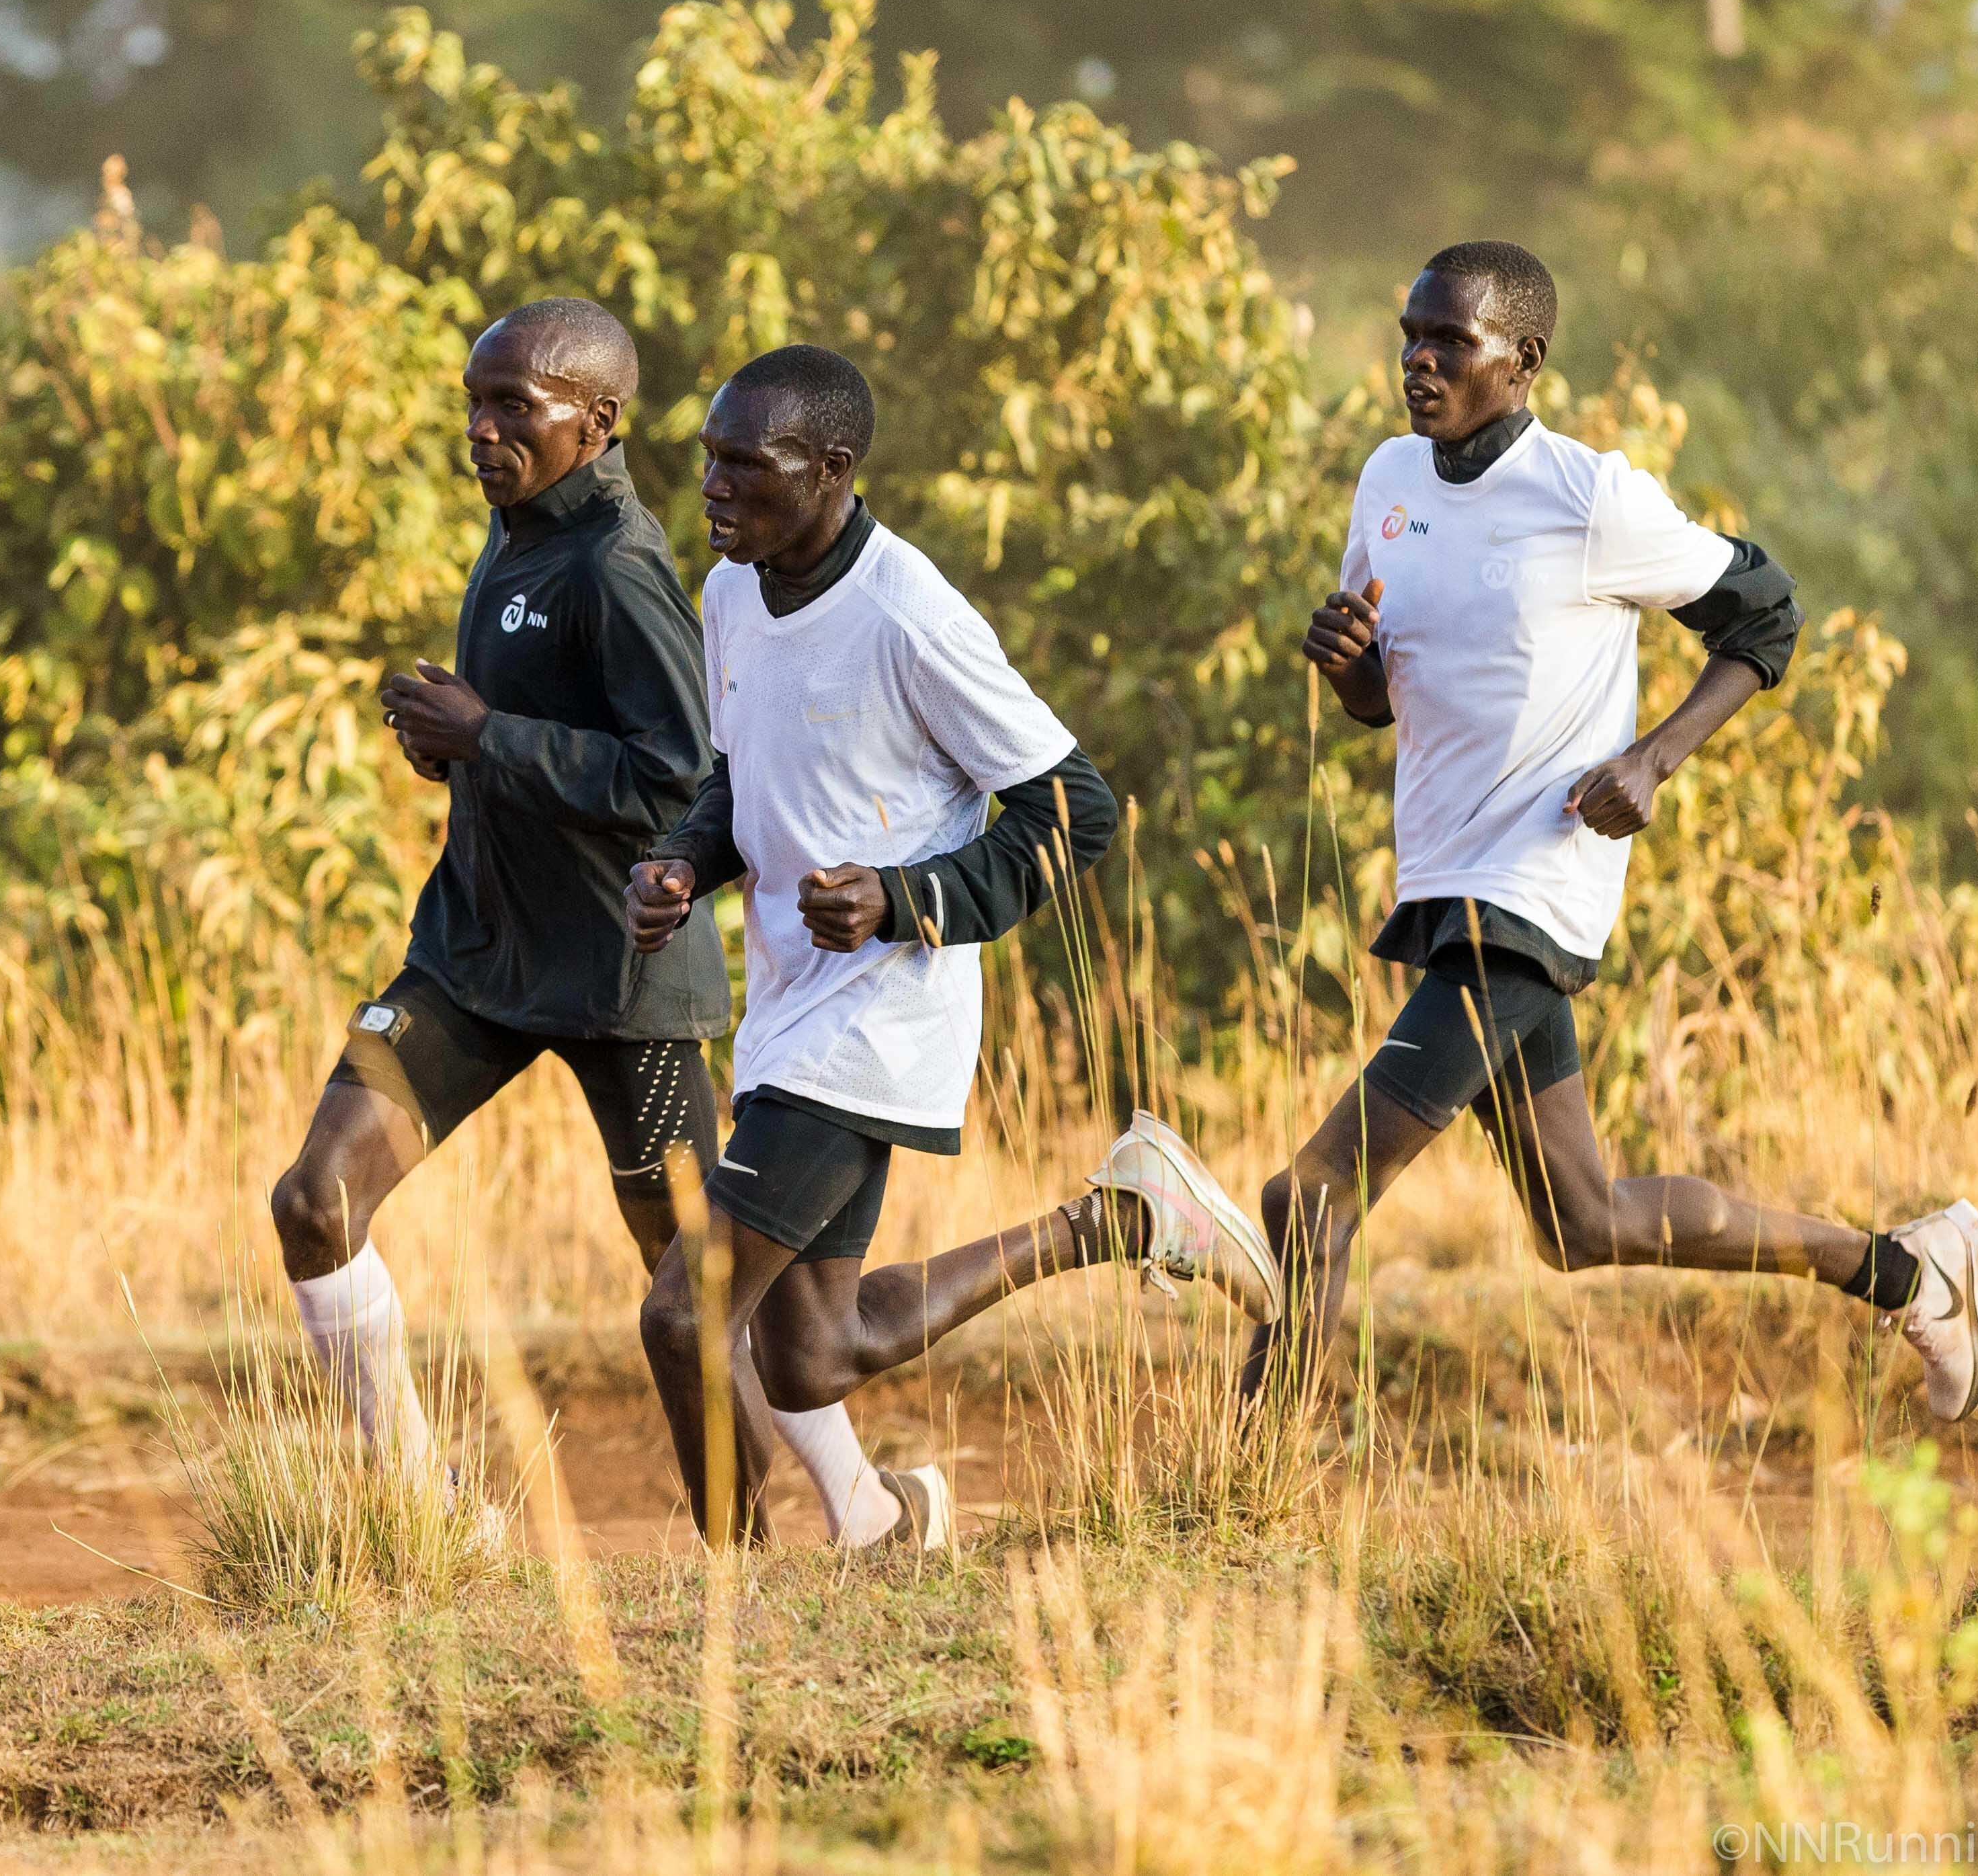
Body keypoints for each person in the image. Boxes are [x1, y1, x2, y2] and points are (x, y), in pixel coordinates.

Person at [1258, 239, 1978, 1418]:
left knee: (1313, 1197)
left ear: (1524, 359)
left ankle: (1251, 1481)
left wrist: (1652, 758)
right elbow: (1379, 700)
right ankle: (1911, 1272)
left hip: (1532, 888)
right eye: (1411, 338)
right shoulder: (1390, 479)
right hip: (1444, 882)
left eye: (1449, 342)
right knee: (1582, 1223)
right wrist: (1348, 668)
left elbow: (1766, 615)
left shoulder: (1587, 497)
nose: (1419, 361)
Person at [627, 344, 1282, 1549]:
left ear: (832, 468)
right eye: (707, 458)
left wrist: (905, 899)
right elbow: (738, 778)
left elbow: (1074, 809)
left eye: (744, 464)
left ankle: (730, 1605)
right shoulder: (730, 593)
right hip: (786, 1007)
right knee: (815, 1354)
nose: (711, 486)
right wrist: (681, 861)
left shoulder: (909, 617)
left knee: (685, 1315)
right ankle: (1108, 1228)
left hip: (880, 1015)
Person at [267, 297, 888, 1543]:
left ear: (598, 421)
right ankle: (428, 1509)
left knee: (697, 1298)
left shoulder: (619, 565)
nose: (483, 430)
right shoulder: (515, 533)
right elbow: (546, 745)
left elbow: (678, 779)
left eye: (515, 407)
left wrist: (492, 737)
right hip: (474, 962)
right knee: (315, 1202)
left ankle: (844, 1518)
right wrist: (458, 750)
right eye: (473, 404)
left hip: (623, 988)